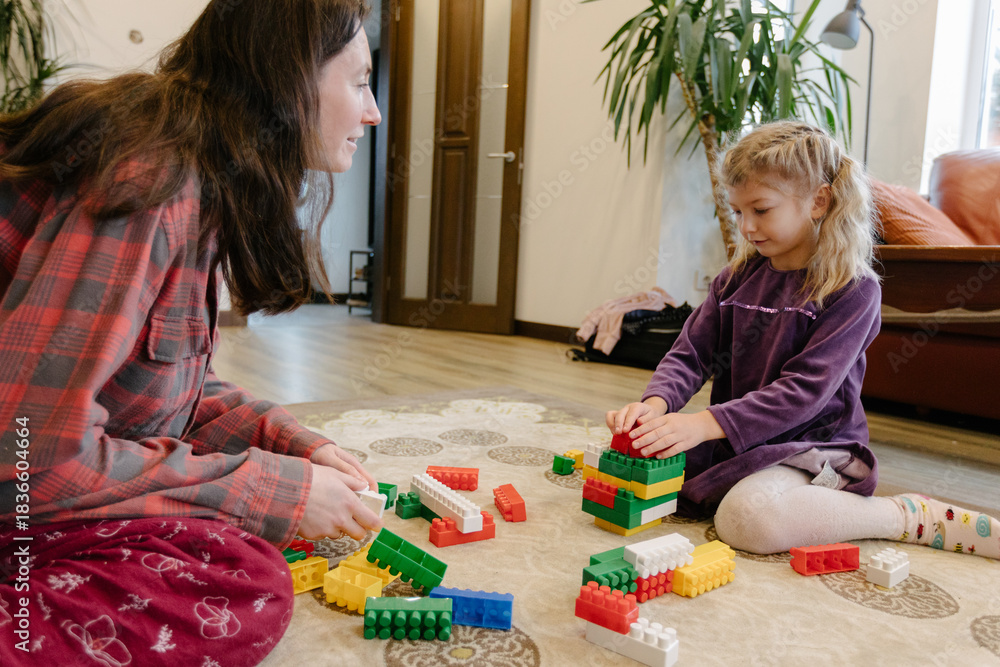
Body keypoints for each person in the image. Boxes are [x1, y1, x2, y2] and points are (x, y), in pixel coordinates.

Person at [0, 1, 384, 663]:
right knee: (245, 578)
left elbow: (155, 387)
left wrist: (286, 443)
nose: (372, 111)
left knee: (238, 547)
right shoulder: (154, 173)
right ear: (291, 81)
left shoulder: (196, 169)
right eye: (358, 82)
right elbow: (29, 461)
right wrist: (272, 493)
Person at [607, 121, 999, 560]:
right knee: (639, 471)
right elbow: (691, 353)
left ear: (818, 201)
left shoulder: (854, 290)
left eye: (761, 209)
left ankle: (901, 515)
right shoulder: (735, 279)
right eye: (738, 212)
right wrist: (656, 405)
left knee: (746, 521)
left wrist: (701, 424)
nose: (746, 226)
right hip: (744, 439)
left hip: (815, 447)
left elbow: (803, 392)